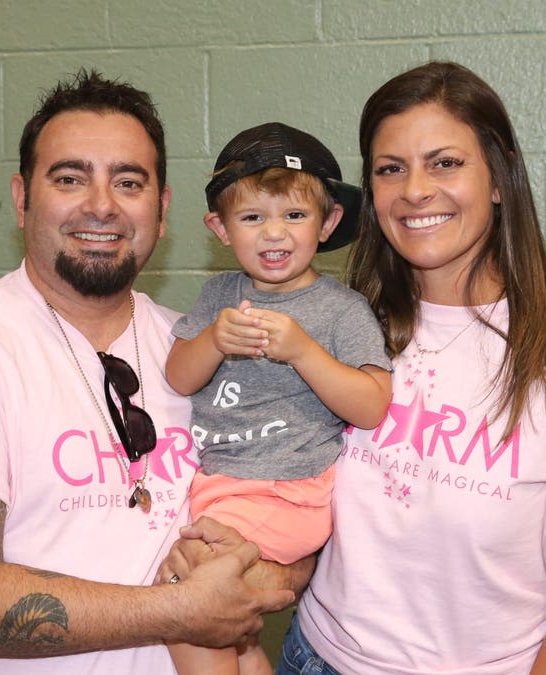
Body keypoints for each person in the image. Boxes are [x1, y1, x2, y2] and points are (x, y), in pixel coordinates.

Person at [0, 68, 304, 674]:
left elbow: (297, 496)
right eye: (70, 178)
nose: (102, 205)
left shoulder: (203, 348)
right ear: (22, 200)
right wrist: (180, 609)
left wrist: (264, 572)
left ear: (162, 206)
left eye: (129, 182)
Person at [270, 61, 546, 674]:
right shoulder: (340, 323)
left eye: (445, 163)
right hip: (318, 658)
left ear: (500, 179)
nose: (415, 190)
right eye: (390, 169)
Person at [164, 123, 393, 674]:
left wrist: (305, 352)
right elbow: (178, 376)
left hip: (288, 490)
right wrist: (212, 341)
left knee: (191, 602)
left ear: (327, 222)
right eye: (252, 218)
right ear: (220, 228)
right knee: (234, 632)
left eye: (294, 216)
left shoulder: (342, 310)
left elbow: (372, 405)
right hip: (222, 486)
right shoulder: (219, 295)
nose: (275, 234)